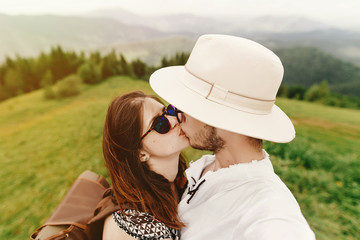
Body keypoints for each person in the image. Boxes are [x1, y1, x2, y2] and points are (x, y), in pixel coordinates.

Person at [149, 34, 316, 239]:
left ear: (223, 118)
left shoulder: (268, 208)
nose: (177, 114)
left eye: (187, 104)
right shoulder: (207, 165)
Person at [101, 91, 189, 240]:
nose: (174, 120)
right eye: (160, 124)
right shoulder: (140, 226)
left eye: (169, 110)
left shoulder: (174, 184)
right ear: (140, 153)